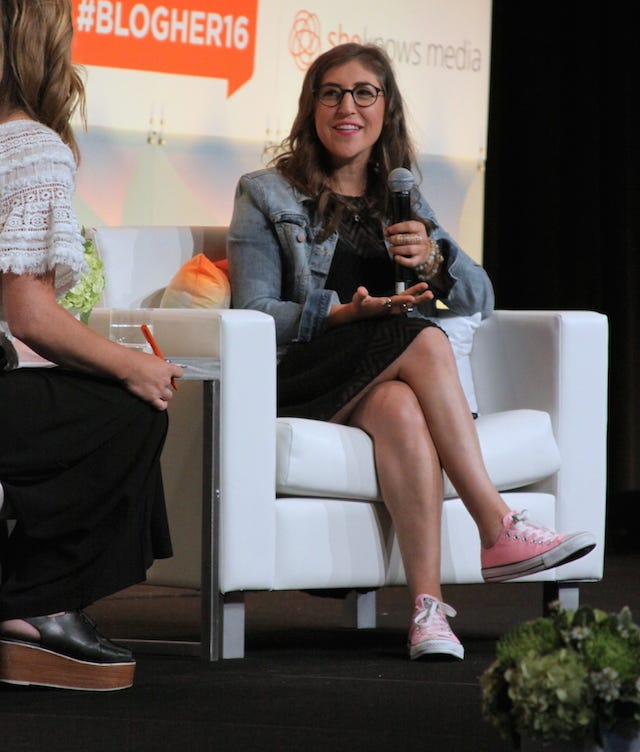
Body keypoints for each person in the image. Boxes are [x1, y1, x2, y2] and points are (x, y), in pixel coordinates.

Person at [227, 41, 596, 661]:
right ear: (312, 107)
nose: (348, 106)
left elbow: (480, 295)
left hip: (376, 379)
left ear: (385, 107)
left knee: (400, 406)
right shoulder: (266, 193)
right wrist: (344, 313)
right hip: (301, 374)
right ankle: (497, 526)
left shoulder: (400, 198)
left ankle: (427, 610)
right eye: (332, 93)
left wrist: (432, 257)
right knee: (418, 334)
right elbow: (254, 314)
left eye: (364, 93)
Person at [0, 0, 183, 691]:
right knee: (130, 409)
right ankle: (37, 603)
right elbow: (29, 313)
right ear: (48, 39)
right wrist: (130, 363)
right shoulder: (32, 146)